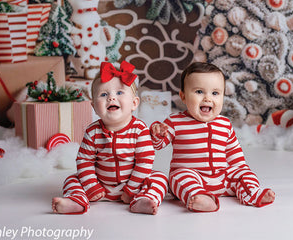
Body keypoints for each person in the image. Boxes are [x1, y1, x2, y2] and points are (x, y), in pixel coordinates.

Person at [150, 62, 275, 212]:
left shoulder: (224, 124)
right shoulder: (175, 121)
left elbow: (235, 156)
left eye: (215, 93)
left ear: (223, 96)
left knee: (243, 172)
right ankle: (199, 197)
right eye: (199, 92)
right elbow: (158, 144)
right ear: (183, 96)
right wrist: (158, 133)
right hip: (192, 176)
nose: (208, 98)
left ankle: (252, 193)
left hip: (221, 179)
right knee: (178, 177)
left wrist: (242, 172)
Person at [52, 61, 168, 215]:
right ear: (94, 106)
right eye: (104, 94)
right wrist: (92, 186)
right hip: (100, 187)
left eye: (119, 93)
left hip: (133, 185)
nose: (111, 98)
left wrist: (131, 189)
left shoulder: (139, 130)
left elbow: (144, 161)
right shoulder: (93, 131)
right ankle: (77, 201)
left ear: (134, 103)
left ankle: (143, 200)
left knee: (159, 178)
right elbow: (84, 160)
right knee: (71, 180)